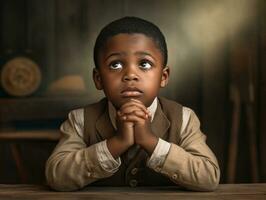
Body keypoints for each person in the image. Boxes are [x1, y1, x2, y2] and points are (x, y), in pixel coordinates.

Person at [45, 16, 220, 191]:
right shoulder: (80, 120)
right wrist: (117, 142)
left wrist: (150, 141)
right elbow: (57, 176)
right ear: (98, 79)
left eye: (144, 64)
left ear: (163, 76)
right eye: (115, 65)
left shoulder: (183, 118)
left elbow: (208, 177)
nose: (130, 74)